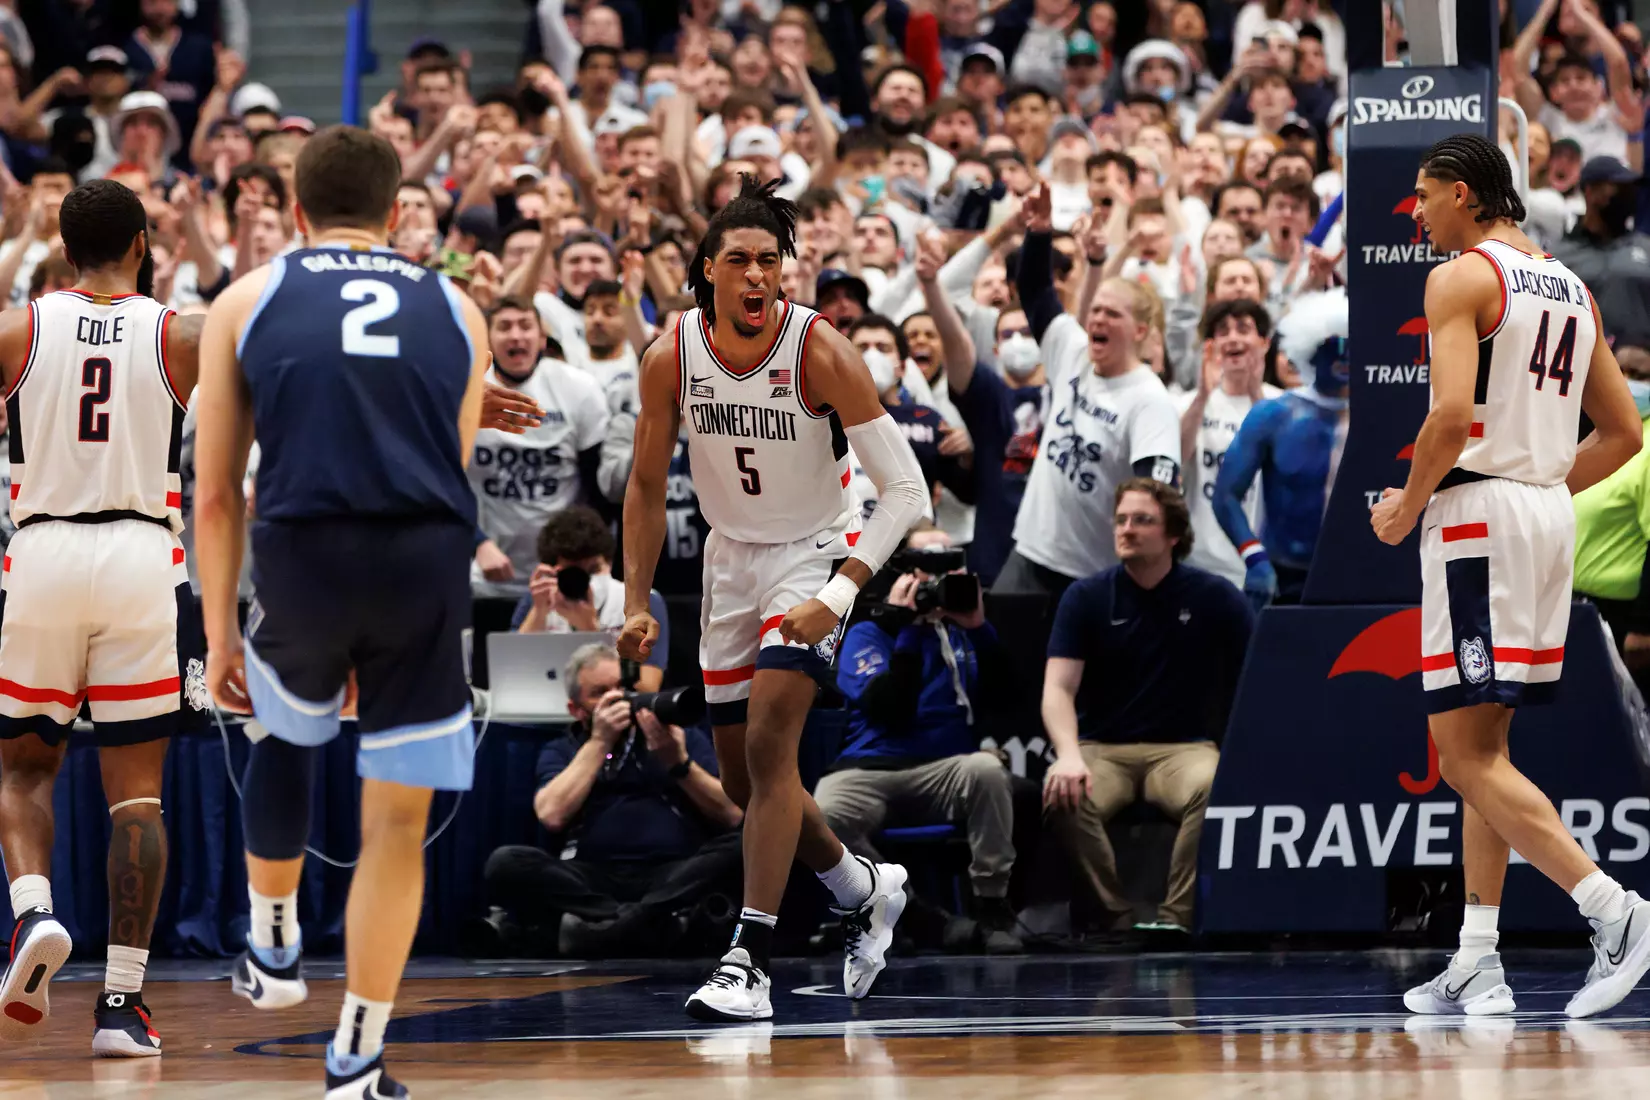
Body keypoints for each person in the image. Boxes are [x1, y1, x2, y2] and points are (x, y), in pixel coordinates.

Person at [194, 125, 491, 1098]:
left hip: (305, 549)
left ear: (297, 210)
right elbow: (452, 463)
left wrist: (220, 631)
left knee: (284, 724)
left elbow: (216, 494)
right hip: (422, 556)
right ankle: (357, 1055)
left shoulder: (246, 299)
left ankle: (273, 939)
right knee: (397, 822)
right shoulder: (459, 308)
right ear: (398, 212)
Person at [618, 176, 928, 1022]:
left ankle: (749, 962)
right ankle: (861, 886)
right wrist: (636, 599)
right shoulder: (671, 356)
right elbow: (643, 486)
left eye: (770, 260)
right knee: (748, 784)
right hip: (730, 559)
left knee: (768, 745)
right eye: (740, 261)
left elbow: (907, 490)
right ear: (706, 271)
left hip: (815, 550)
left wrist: (841, 588)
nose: (758, 275)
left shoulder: (819, 349)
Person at [1371, 133, 1649, 1020]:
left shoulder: (1460, 277)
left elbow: (1450, 417)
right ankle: (1478, 958)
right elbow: (1624, 434)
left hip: (1478, 520)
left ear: (1462, 193)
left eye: (1424, 195)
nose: (1417, 213)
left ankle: (1616, 910)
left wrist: (1407, 505)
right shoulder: (1571, 285)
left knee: (1461, 755)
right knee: (1484, 754)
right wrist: (1536, 485)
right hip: (1542, 515)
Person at [0, 180, 207, 1058]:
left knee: (23, 771)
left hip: (42, 551)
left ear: (62, 244)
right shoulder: (181, 334)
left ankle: (34, 914)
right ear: (141, 244)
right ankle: (122, 1005)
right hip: (142, 558)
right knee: (138, 795)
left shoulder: (17, 330)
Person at [1041, 480, 1252, 935]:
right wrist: (1068, 754)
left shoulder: (1214, 595)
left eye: (1142, 520)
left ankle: (1177, 920)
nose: (1127, 529)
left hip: (1183, 749)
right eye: (1121, 520)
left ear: (1173, 534)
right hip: (1101, 750)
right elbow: (1058, 688)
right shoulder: (1086, 596)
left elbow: (1258, 673)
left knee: (1216, 787)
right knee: (1063, 794)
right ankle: (1115, 918)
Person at [483, 644, 743, 958]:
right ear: (576, 709)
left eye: (622, 688)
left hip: (670, 873)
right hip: (592, 878)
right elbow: (551, 815)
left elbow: (731, 814)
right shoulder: (564, 748)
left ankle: (609, 927)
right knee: (506, 862)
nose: (618, 699)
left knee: (744, 843)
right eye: (600, 693)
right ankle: (649, 922)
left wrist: (679, 764)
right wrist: (599, 742)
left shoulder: (675, 736)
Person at [996, 183, 1181, 602]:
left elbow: (1158, 494)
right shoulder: (1073, 350)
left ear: (1140, 331)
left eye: (1112, 314)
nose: (1097, 319)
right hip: (1030, 554)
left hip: (1095, 575)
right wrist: (1039, 232)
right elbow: (1034, 291)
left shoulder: (1149, 400)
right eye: (1095, 309)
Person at [1211, 288, 1349, 607]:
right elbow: (1225, 496)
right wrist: (1254, 557)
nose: (1344, 356)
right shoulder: (1273, 416)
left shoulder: (1374, 417)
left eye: (1351, 346)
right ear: (1309, 352)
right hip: (1281, 577)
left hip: (1350, 578)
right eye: (1334, 347)